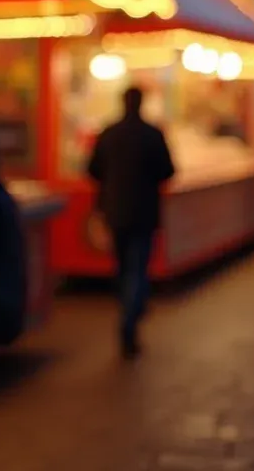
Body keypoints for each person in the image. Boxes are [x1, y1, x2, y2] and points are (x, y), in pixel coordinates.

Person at [87, 86, 175, 359]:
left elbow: (91, 169)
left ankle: (128, 308)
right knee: (138, 266)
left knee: (123, 265)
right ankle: (132, 313)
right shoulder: (152, 135)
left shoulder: (108, 133)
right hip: (145, 212)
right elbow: (168, 171)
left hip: (114, 212)